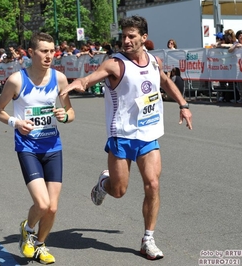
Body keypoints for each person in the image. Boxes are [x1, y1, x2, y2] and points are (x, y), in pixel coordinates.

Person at [61, 15, 192, 261]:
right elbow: (90, 78)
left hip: (148, 135)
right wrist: (77, 83)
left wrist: (183, 105)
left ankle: (148, 240)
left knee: (152, 184)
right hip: (122, 135)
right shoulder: (115, 64)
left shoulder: (154, 60)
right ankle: (103, 183)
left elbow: (164, 81)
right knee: (119, 190)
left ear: (144, 38)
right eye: (124, 36)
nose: (126, 40)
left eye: (132, 36)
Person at [0, 32, 75, 264]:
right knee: (42, 203)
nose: (50, 56)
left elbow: (71, 112)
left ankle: (39, 245)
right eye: (44, 51)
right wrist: (15, 122)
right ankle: (28, 230)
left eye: (52, 51)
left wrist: (64, 115)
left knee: (53, 208)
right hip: (28, 147)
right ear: (31, 53)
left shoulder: (59, 79)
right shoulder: (17, 80)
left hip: (53, 147)